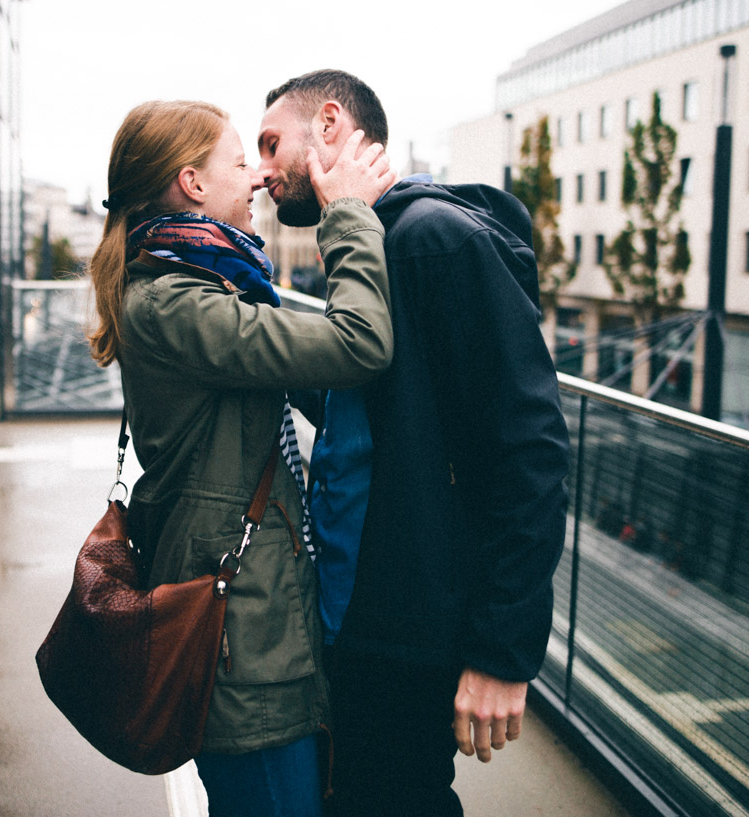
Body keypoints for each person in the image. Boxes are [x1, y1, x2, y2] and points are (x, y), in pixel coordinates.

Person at [258, 70, 571, 816]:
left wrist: (503, 651)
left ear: (329, 124)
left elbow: (528, 447)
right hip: (354, 616)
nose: (263, 172)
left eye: (272, 145)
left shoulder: (433, 240)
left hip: (404, 629)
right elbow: (374, 404)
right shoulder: (366, 239)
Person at [86, 99, 397, 817]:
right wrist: (348, 214)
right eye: (238, 161)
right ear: (193, 184)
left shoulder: (202, 282)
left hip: (253, 623)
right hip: (242, 644)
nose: (258, 176)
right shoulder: (175, 303)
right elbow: (358, 344)